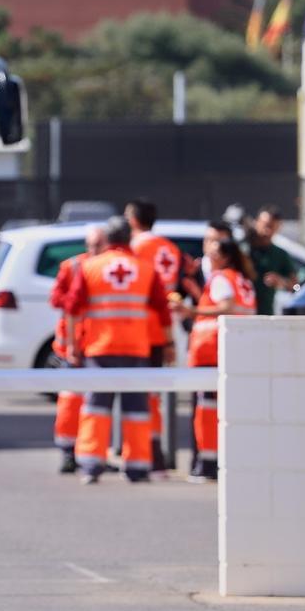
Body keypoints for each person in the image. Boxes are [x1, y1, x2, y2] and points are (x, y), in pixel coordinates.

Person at [63, 216, 172, 485]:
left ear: (108, 240)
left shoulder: (89, 267)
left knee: (96, 409)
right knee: (137, 410)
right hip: (137, 349)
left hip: (100, 349)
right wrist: (169, 345)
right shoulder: (145, 269)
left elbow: (72, 310)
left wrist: (72, 345)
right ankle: (137, 467)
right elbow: (163, 311)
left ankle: (91, 465)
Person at [170, 238, 256, 483]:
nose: (209, 254)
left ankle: (208, 464)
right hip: (233, 351)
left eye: (214, 251)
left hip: (212, 352)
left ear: (225, 256)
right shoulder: (240, 279)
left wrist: (192, 311)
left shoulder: (222, 279)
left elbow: (225, 305)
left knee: (207, 410)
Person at [125, 199, 179, 476]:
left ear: (134, 219)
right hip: (161, 330)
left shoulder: (135, 249)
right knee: (153, 396)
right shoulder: (169, 248)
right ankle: (155, 456)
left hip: (136, 331)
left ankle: (143, 454)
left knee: (135, 398)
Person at [48, 225, 107, 474]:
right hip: (72, 345)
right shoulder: (72, 266)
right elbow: (56, 299)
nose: (94, 250)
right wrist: (76, 299)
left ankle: (92, 454)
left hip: (96, 343)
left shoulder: (109, 268)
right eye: (91, 245)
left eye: (99, 245)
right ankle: (67, 451)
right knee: (71, 401)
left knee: (95, 403)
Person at [246, 205, 297, 316]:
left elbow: (297, 287)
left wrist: (282, 282)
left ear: (279, 227)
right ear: (256, 222)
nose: (268, 231)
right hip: (238, 315)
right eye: (265, 225)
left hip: (264, 315)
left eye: (273, 227)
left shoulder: (279, 254)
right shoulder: (242, 248)